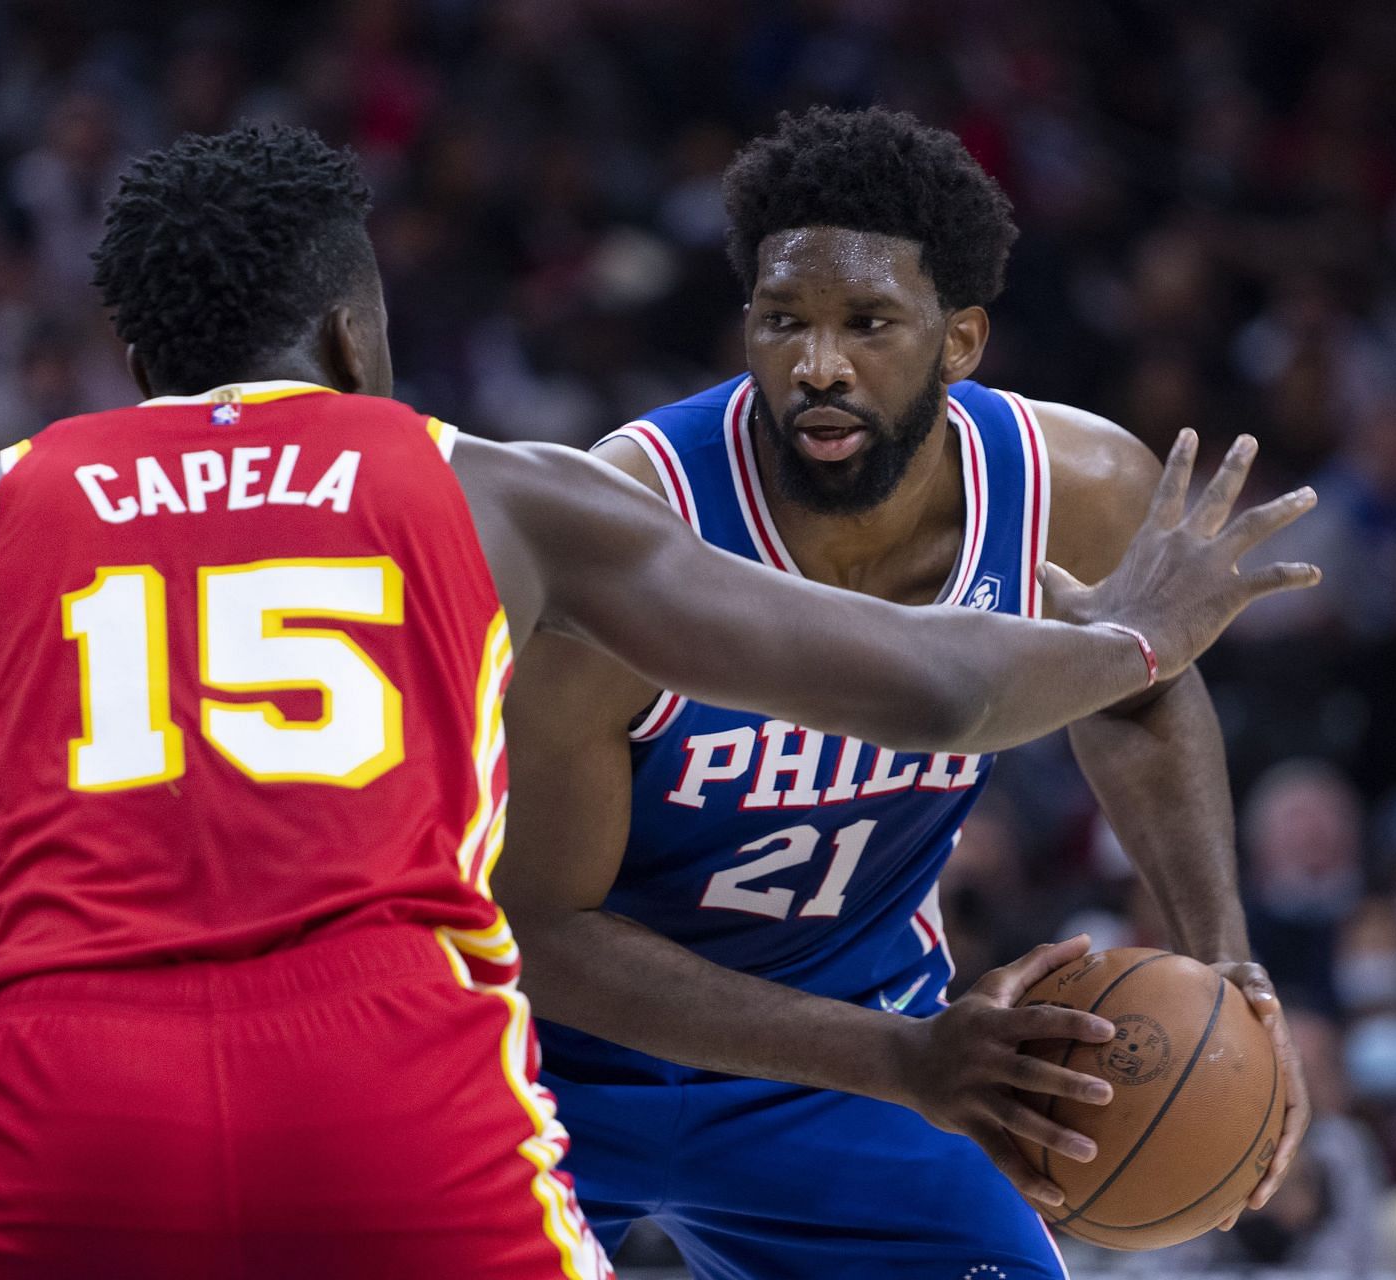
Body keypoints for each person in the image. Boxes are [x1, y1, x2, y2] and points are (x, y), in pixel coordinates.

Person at [0, 123, 1317, 1277]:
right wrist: (1138, 631)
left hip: (64, 1100)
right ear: (357, 342)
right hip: (413, 1098)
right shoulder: (501, 488)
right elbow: (933, 692)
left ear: (139, 359)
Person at [492, 107, 1312, 1280]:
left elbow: (1140, 688)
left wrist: (1222, 964)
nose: (817, 363)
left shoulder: (1069, 491)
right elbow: (549, 929)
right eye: (783, 322)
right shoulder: (625, 531)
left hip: (855, 1037)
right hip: (557, 1057)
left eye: (867, 323)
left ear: (961, 338)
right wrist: (903, 1058)